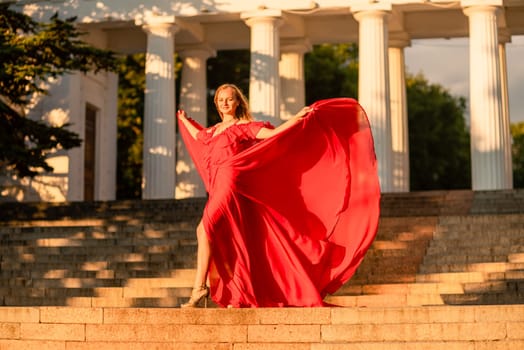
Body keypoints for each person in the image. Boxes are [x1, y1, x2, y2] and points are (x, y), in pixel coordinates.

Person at [177, 83, 380, 308]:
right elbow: (197, 135)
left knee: (203, 229)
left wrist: (296, 118)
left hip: (229, 181)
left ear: (237, 103)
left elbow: (273, 134)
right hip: (216, 185)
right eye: (221, 99)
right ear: (216, 103)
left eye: (230, 99)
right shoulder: (213, 131)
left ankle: (199, 289)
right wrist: (184, 119)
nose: (225, 103)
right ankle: (239, 291)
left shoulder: (242, 127)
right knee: (231, 238)